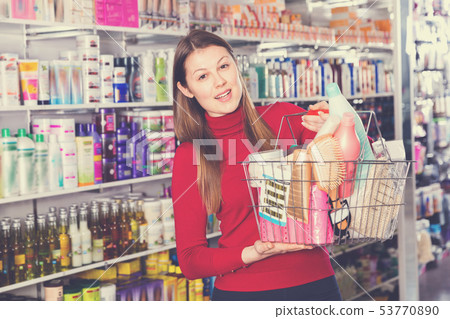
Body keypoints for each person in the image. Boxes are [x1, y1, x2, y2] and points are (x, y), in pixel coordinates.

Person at [171, 29, 342, 301]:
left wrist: (337, 123)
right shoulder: (191, 155)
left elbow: (362, 157)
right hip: (242, 296)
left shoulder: (284, 117)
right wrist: (255, 252)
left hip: (315, 285)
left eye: (224, 66)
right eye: (203, 76)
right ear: (186, 89)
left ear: (236, 66)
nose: (220, 82)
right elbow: (191, 260)